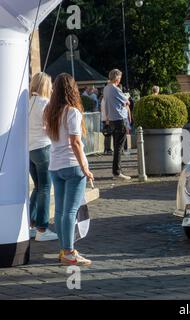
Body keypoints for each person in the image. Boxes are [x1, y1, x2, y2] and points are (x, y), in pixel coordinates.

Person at [43, 73, 94, 266]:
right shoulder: (73, 112)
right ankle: (69, 252)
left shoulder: (49, 110)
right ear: (72, 89)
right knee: (70, 211)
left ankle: (64, 250)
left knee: (61, 212)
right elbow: (76, 142)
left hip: (55, 165)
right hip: (72, 165)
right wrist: (86, 168)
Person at [28, 72, 58, 242]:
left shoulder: (28, 103)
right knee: (45, 189)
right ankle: (42, 229)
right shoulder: (46, 103)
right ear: (45, 86)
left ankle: (30, 225)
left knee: (38, 188)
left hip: (31, 150)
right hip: (44, 148)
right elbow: (49, 128)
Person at [103, 69, 131, 180]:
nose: (120, 80)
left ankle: (116, 171)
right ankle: (117, 172)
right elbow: (127, 102)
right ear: (117, 78)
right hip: (120, 119)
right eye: (119, 78)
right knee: (119, 147)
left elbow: (106, 104)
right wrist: (126, 99)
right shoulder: (115, 89)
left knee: (116, 146)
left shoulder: (105, 88)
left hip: (112, 120)